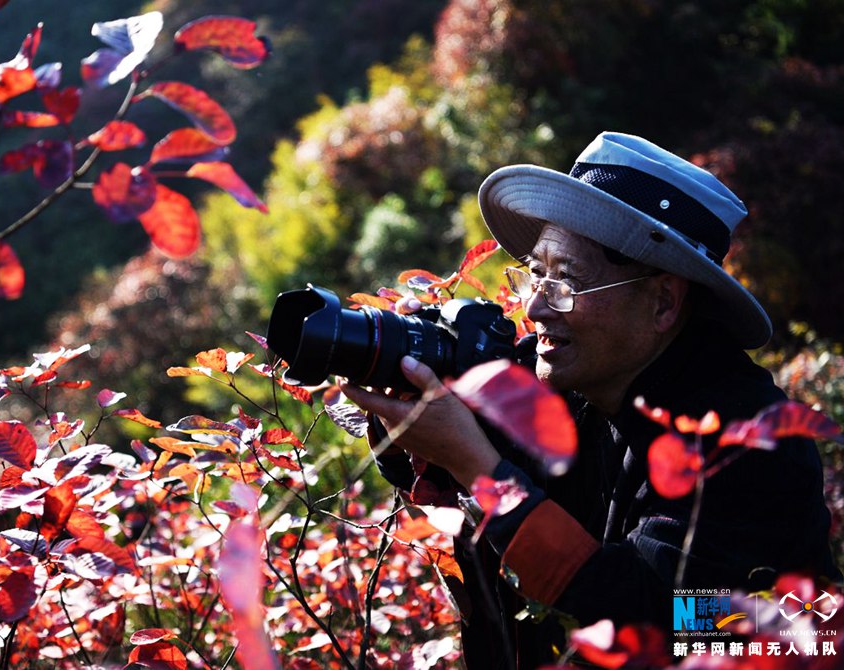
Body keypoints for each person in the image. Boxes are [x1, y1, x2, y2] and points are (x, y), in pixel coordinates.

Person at [340, 132, 840, 667]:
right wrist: (407, 413)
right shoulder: (570, 382)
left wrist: (479, 468)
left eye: (565, 282)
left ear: (663, 302)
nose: (533, 307)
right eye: (536, 274)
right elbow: (439, 464)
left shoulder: (747, 439)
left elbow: (666, 620)